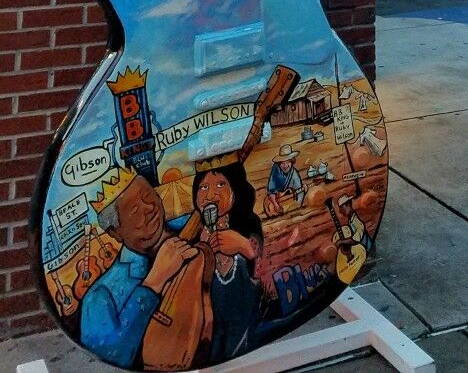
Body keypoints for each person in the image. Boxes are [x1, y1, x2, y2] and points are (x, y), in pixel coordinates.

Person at [80, 170, 199, 368]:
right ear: (115, 232)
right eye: (134, 209)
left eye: (149, 195)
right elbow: (109, 355)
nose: (149, 207)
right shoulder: (100, 297)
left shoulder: (194, 222)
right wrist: (154, 282)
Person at [193, 163, 264, 361]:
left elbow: (262, 270)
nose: (210, 195)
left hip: (244, 319)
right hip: (210, 324)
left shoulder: (248, 224)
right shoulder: (194, 235)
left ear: (235, 190)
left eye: (221, 184)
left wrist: (244, 247)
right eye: (203, 187)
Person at [264, 145, 305, 218]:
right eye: (282, 163)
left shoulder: (294, 174)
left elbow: (299, 192)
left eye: (288, 162)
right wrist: (276, 205)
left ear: (292, 162)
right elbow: (271, 190)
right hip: (274, 202)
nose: (285, 166)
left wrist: (296, 205)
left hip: (286, 204)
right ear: (279, 163)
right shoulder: (275, 171)